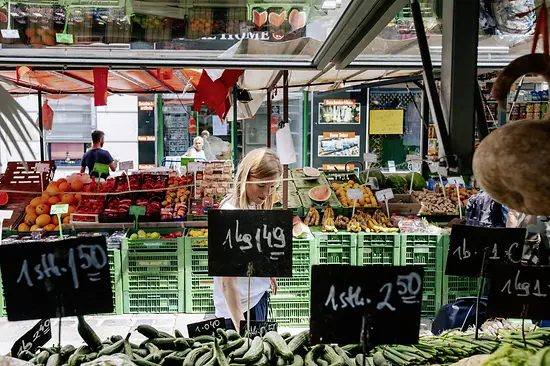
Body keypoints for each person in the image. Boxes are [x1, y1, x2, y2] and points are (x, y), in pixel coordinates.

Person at [214, 148, 282, 331]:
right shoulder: (228, 214)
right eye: (261, 186)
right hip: (238, 310)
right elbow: (227, 284)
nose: (267, 193)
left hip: (257, 297)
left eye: (273, 186)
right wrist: (240, 327)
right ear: (246, 178)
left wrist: (267, 272)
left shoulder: (254, 206)